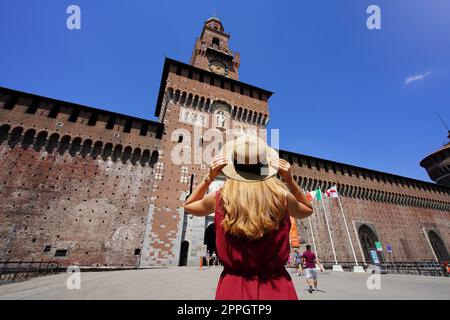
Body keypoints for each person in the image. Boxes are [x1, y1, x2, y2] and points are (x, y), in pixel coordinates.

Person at [183, 135, 314, 300]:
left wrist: (209, 178)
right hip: (276, 288)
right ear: (265, 164)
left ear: (234, 166)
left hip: (233, 290)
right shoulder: (282, 197)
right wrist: (289, 180)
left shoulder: (220, 198)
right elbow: (308, 209)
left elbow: (189, 205)